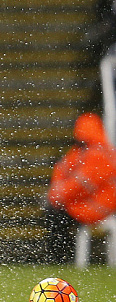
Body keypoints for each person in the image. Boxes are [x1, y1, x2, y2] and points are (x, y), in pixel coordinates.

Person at [46, 112, 116, 263]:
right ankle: (61, 256)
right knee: (54, 211)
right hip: (89, 204)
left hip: (96, 209)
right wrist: (57, 192)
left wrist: (58, 195)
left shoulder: (98, 154)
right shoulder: (87, 151)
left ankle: (60, 258)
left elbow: (81, 185)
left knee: (55, 214)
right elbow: (62, 169)